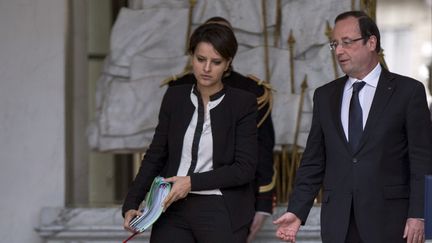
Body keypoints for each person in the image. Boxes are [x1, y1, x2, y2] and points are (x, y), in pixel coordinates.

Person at [274, 10, 432, 243]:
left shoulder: (408, 92)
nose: (338, 51)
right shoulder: (325, 96)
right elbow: (313, 160)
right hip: (338, 224)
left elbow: (422, 161)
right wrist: (297, 210)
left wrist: (419, 215)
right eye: (335, 44)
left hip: (391, 222)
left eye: (346, 42)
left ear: (371, 42)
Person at [122, 23, 259, 243]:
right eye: (200, 59)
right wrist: (131, 203)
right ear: (191, 57)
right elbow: (156, 154)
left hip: (220, 208)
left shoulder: (243, 103)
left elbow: (244, 169)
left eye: (216, 62)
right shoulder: (174, 97)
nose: (206, 68)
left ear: (228, 64)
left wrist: (191, 182)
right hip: (171, 207)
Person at [167, 16, 276, 242]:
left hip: (230, 202)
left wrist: (263, 203)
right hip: (176, 204)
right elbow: (165, 150)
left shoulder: (251, 92)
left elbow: (262, 150)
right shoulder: (178, 89)